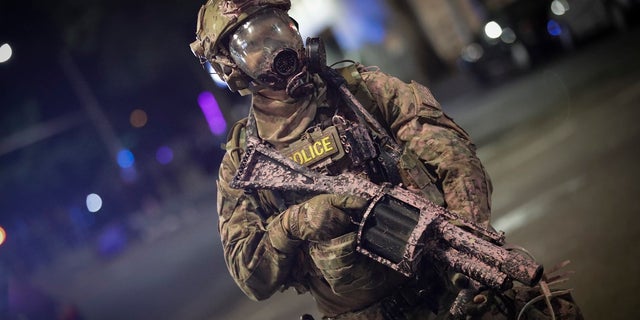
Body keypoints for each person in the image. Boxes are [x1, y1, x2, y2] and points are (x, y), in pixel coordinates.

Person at [189, 1, 583, 319]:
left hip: (448, 286)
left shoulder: (364, 92)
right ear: (232, 69)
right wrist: (297, 222)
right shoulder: (244, 160)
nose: (275, 47)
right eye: (253, 44)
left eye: (276, 29)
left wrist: (469, 237)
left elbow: (453, 157)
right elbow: (249, 275)